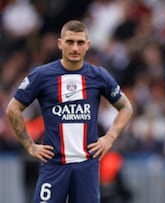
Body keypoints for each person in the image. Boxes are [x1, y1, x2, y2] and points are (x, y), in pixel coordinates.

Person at [6, 20, 133, 203]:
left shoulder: (98, 76)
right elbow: (13, 109)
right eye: (70, 42)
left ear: (87, 45)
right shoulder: (42, 75)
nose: (75, 48)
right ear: (60, 43)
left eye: (80, 42)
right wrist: (30, 146)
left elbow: (126, 107)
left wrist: (109, 138)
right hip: (54, 164)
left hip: (86, 167)